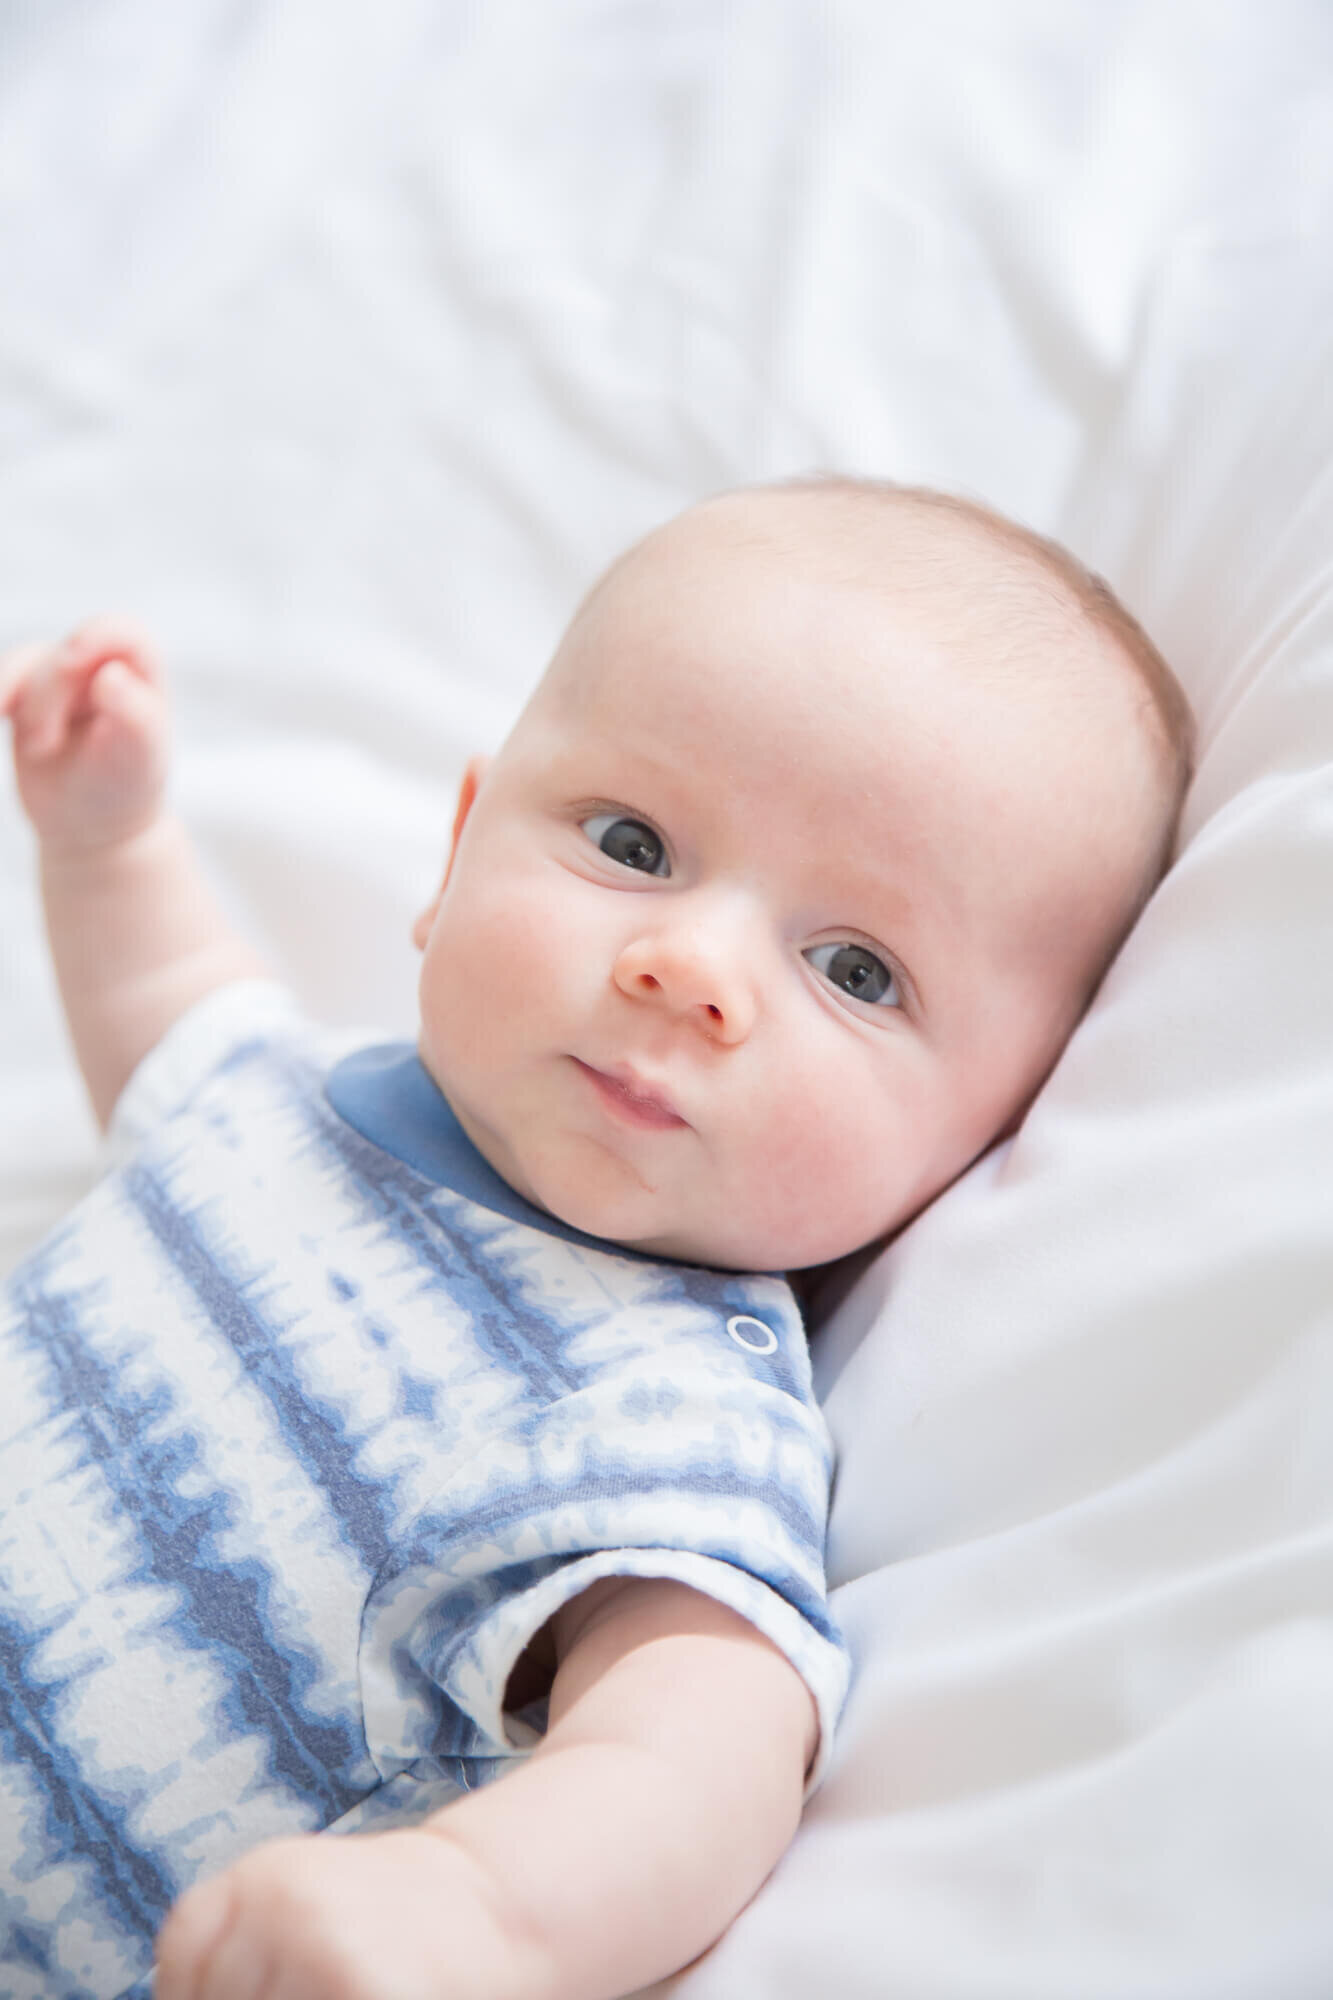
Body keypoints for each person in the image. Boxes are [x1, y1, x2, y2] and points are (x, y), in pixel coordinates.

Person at [0, 479, 1193, 2000]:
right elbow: (168, 1013)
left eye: (852, 968)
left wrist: (477, 1910)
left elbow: (701, 1730)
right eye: (633, 842)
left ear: (988, 1131)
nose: (687, 965)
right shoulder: (285, 1097)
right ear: (456, 854)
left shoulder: (657, 1404)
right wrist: (106, 848)